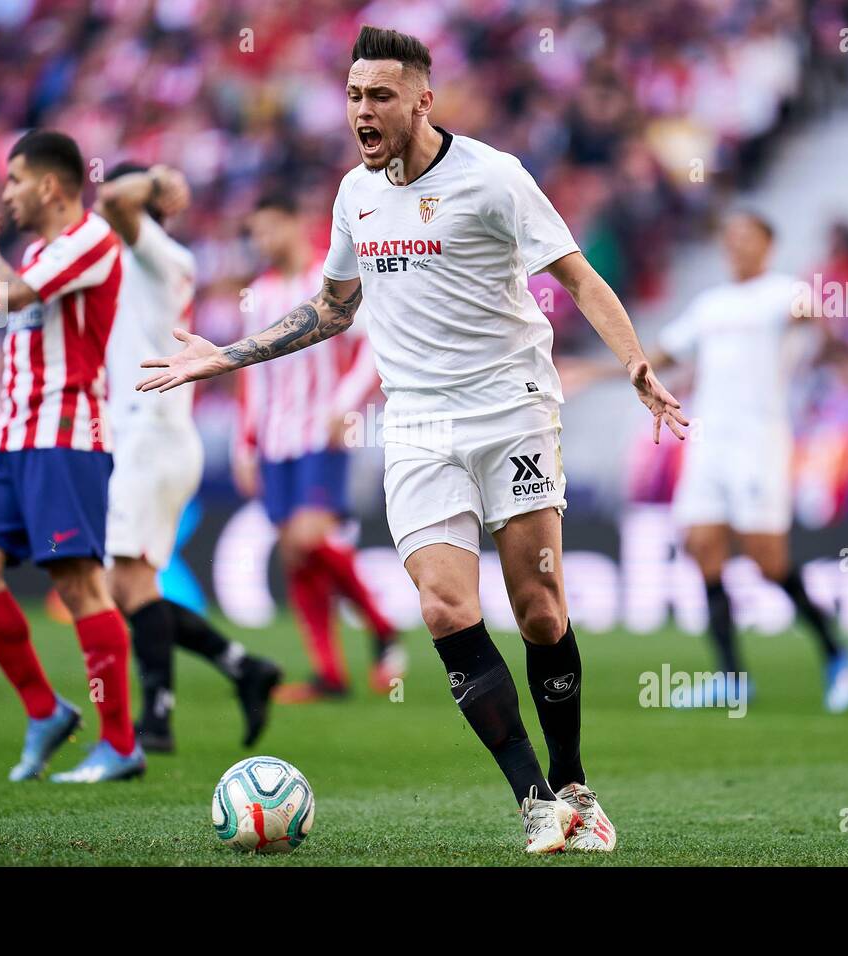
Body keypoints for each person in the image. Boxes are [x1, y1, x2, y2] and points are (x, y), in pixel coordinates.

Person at [138, 26, 686, 853]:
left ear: (423, 100)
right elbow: (333, 308)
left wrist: (636, 363)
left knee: (539, 611)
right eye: (355, 95)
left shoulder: (494, 178)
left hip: (513, 410)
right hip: (419, 426)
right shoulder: (353, 197)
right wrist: (229, 355)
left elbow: (575, 274)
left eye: (381, 95)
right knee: (443, 606)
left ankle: (574, 781)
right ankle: (536, 800)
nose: (363, 110)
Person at [0, 129, 145, 783]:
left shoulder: (89, 239)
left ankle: (119, 744)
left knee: (79, 585)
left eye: (13, 181)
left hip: (67, 436)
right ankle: (44, 711)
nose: (5, 195)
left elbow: (8, 297)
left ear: (51, 185)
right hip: (10, 439)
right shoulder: (36, 250)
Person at [96, 162, 282, 752]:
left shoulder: (160, 256)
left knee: (131, 584)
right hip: (145, 438)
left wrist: (152, 183)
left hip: (153, 436)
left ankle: (157, 720)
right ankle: (243, 667)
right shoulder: (124, 264)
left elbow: (115, 203)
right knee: (126, 589)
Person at [650, 211, 848, 712]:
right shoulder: (711, 305)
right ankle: (732, 678)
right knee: (702, 546)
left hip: (759, 443)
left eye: (748, 236)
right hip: (709, 442)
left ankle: (836, 653)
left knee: (768, 561)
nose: (737, 245)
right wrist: (594, 371)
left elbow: (819, 319)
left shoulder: (784, 293)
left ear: (769, 243)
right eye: (731, 236)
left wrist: (821, 320)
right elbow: (662, 354)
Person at [235, 191, 404, 703]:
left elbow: (372, 347)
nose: (262, 241)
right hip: (275, 438)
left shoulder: (329, 282)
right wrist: (245, 443)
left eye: (271, 228)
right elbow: (252, 371)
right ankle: (329, 673)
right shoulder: (260, 294)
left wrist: (345, 403)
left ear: (296, 223)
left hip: (321, 430)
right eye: (256, 232)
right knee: (293, 553)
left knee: (310, 537)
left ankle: (382, 627)